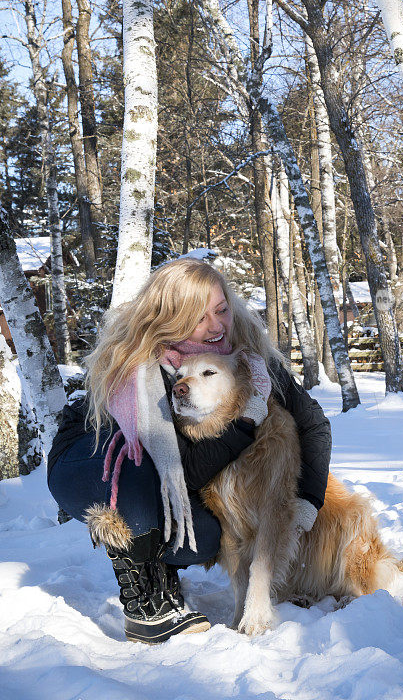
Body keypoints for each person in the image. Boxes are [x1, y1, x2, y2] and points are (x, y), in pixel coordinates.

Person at [47, 258, 331, 644]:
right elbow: (190, 471)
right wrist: (246, 422)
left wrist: (306, 502)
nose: (216, 327)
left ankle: (156, 554)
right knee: (145, 494)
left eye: (221, 310)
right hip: (94, 451)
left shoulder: (245, 357)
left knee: (205, 535)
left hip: (159, 469)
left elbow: (313, 423)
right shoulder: (142, 367)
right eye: (198, 318)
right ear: (170, 320)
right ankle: (147, 596)